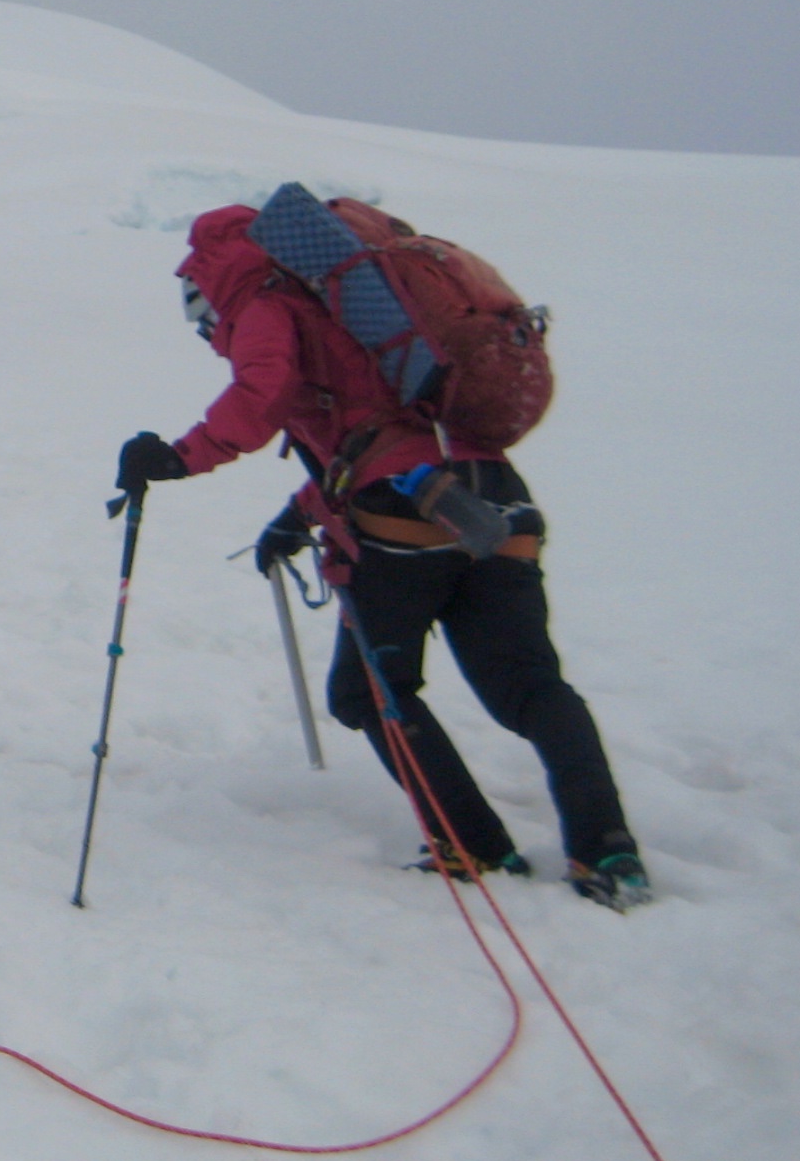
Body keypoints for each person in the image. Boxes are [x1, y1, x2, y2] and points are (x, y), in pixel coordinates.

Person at [113, 203, 652, 910]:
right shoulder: (351, 310)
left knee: (370, 692)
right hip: (496, 501)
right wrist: (297, 516)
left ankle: (475, 847)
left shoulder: (260, 300)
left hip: (405, 518)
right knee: (529, 686)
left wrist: (179, 458)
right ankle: (607, 852)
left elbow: (264, 392)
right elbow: (375, 432)